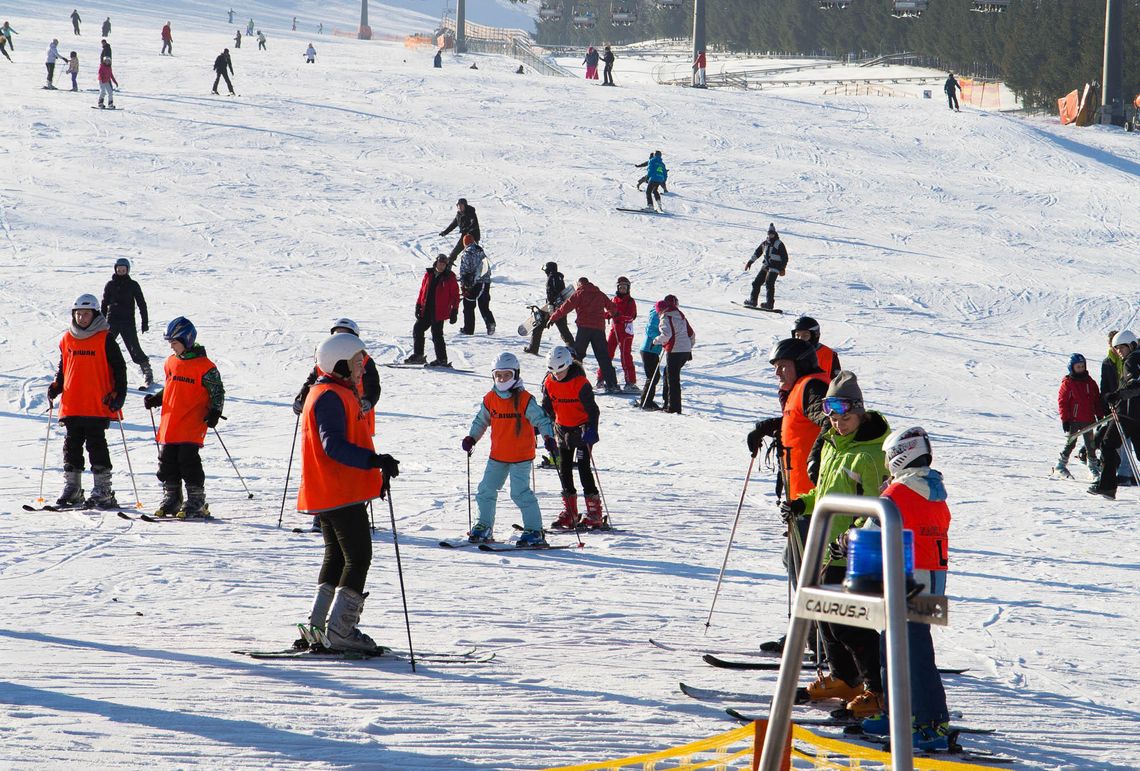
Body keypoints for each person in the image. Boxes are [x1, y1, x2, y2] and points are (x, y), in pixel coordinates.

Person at [781, 371, 891, 718]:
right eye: (833, 416)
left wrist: (853, 536)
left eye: (846, 417)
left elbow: (877, 505)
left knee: (848, 620)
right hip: (830, 544)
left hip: (858, 551)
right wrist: (803, 503)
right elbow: (827, 492)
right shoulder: (832, 444)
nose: (839, 423)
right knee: (823, 616)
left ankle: (877, 687)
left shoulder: (871, 454)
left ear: (860, 413)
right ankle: (845, 678)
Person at [294, 333, 400, 653]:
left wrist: (374, 472)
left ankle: (316, 628)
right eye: (357, 363)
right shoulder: (328, 395)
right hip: (339, 491)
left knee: (338, 557)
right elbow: (334, 446)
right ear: (338, 364)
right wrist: (372, 460)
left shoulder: (335, 391)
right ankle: (341, 630)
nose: (361, 370)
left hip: (336, 490)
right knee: (358, 557)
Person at [859, 426, 952, 751]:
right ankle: (900, 711)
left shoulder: (898, 494)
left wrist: (845, 542)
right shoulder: (935, 491)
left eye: (889, 457)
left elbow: (873, 529)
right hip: (930, 579)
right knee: (898, 647)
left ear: (901, 455)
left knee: (908, 653)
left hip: (905, 580)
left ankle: (931, 722)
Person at [746, 337, 830, 654]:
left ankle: (820, 640)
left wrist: (817, 454)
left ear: (801, 365)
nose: (778, 372)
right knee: (795, 564)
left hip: (816, 498)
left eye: (783, 366)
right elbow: (799, 422)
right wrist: (767, 426)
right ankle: (808, 634)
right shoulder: (799, 390)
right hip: (801, 498)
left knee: (807, 569)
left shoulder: (812, 387)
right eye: (776, 367)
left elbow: (830, 422)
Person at [462, 352, 556, 546]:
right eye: (498, 375)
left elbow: (541, 419)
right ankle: (483, 525)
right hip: (498, 454)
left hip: (521, 455)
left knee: (520, 492)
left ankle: (534, 530)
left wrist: (548, 437)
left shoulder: (524, 399)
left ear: (515, 374)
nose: (502, 379)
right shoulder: (490, 398)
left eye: (507, 375)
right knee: (486, 490)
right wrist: (472, 437)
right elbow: (481, 420)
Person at [47, 294, 128, 509]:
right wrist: (57, 385)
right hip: (73, 402)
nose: (82, 317)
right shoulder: (67, 338)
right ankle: (73, 488)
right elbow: (64, 367)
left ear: (95, 314)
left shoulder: (105, 338)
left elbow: (120, 369)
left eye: (86, 314)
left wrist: (120, 394)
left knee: (96, 444)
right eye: (78, 313)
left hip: (96, 403)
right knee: (71, 446)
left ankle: (103, 490)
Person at [143, 317, 225, 518]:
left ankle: (196, 499)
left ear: (187, 340)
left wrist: (215, 411)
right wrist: (157, 398)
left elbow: (217, 391)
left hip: (192, 421)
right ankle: (172, 498)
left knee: (187, 460)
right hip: (171, 422)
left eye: (175, 343)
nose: (172, 347)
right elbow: (172, 386)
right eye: (170, 343)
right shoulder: (171, 362)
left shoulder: (205, 366)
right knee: (167, 460)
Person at [542, 346, 605, 529]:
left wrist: (591, 429)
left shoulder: (580, 383)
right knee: (564, 468)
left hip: (582, 430)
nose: (557, 375)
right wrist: (541, 426)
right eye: (553, 371)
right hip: (562, 429)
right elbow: (547, 407)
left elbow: (593, 410)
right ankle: (570, 513)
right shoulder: (549, 382)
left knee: (584, 468)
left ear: (568, 365)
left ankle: (594, 512)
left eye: (560, 370)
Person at [1090, 330, 1140, 499]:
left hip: (1127, 414)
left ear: (1131, 345)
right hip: (1133, 414)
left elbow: (1134, 386)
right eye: (1117, 348)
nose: (1119, 351)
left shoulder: (1131, 360)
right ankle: (1107, 486)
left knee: (1108, 444)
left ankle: (1107, 487)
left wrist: (1115, 396)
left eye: (1122, 348)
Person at [548, 277, 620, 393]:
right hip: (599, 330)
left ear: (579, 284)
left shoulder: (579, 293)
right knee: (603, 357)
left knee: (577, 357)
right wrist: (615, 313)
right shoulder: (599, 294)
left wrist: (553, 317)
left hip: (584, 329)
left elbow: (566, 307)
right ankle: (612, 384)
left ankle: (575, 382)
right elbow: (611, 306)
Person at [100, 259, 152, 385]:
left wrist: (144, 322)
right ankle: (101, 372)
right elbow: (104, 303)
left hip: (128, 321)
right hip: (112, 321)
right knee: (104, 347)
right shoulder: (110, 285)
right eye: (119, 269)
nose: (121, 271)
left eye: (123, 269)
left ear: (127, 270)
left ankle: (147, 370)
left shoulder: (133, 285)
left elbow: (141, 304)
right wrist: (101, 321)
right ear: (115, 269)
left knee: (134, 347)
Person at [403, 255, 460, 366]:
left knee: (437, 334)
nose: (441, 266)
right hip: (426, 309)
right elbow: (422, 291)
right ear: (436, 263)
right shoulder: (428, 274)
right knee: (418, 329)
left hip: (439, 311)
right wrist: (418, 305)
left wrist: (455, 311)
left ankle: (442, 359)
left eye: (444, 264)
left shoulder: (450, 277)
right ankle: (418, 355)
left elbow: (455, 296)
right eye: (440, 263)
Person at [1055, 353, 1103, 479]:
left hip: (1088, 419)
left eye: (1082, 366)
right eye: (1078, 367)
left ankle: (1092, 468)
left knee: (1090, 445)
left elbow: (1096, 399)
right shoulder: (1068, 383)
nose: (1081, 369)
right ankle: (1060, 465)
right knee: (1070, 443)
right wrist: (1065, 419)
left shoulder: (1090, 382)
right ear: (1072, 368)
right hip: (1074, 420)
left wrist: (1099, 414)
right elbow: (1062, 402)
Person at [653, 295, 695, 414]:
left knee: (672, 379)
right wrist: (688, 347)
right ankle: (668, 402)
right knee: (668, 373)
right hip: (684, 351)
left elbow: (666, 335)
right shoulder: (680, 316)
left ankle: (673, 407)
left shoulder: (665, 318)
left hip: (675, 350)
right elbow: (691, 334)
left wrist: (656, 341)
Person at [525, 262, 575, 355]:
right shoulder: (559, 277)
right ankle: (572, 348)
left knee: (539, 326)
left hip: (552, 307)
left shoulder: (552, 277)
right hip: (560, 306)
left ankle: (533, 348)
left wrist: (551, 306)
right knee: (563, 329)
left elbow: (552, 293)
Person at [599, 276, 637, 391]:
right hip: (614, 329)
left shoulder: (630, 301)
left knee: (625, 356)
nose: (623, 289)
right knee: (607, 353)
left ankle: (630, 382)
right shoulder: (614, 300)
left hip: (625, 331)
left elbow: (631, 315)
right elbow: (608, 313)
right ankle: (601, 379)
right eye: (621, 287)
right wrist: (602, 314)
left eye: (625, 287)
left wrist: (617, 315)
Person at [743, 223, 789, 310]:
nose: (770, 235)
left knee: (769, 283)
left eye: (772, 233)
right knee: (756, 283)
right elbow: (757, 253)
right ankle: (753, 301)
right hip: (766, 266)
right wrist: (750, 262)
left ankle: (769, 304)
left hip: (775, 267)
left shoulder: (779, 244)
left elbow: (785, 257)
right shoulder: (765, 243)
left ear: (775, 234)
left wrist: (782, 268)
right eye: (769, 233)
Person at [458, 235, 496, 336]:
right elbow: (486, 267)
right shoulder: (481, 251)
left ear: (465, 243)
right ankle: (490, 323)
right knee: (484, 305)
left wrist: (464, 282)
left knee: (468, 306)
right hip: (486, 282)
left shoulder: (467, 253)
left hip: (473, 284)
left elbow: (464, 269)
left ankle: (468, 329)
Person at [792, 315, 840, 380]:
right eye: (797, 335)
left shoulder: (829, 354)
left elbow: (837, 381)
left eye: (805, 335)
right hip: (798, 389)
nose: (800, 339)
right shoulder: (791, 355)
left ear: (815, 336)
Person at [637, 301, 663, 410]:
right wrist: (660, 339)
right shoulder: (656, 314)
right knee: (653, 377)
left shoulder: (659, 314)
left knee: (654, 376)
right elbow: (650, 330)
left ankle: (646, 400)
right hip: (649, 349)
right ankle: (646, 401)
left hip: (653, 350)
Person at [440, 198, 480, 265]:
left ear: (465, 205)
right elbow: (453, 224)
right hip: (464, 236)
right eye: (458, 205)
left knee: (472, 254)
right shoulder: (459, 215)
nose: (459, 207)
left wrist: (468, 229)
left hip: (473, 236)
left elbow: (473, 223)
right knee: (454, 253)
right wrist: (445, 232)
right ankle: (448, 269)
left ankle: (476, 269)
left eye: (461, 205)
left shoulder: (471, 212)